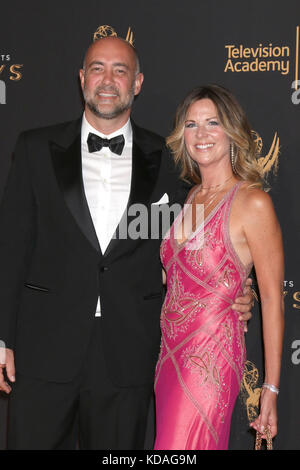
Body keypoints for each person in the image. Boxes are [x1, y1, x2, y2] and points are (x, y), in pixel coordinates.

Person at [0, 39, 253, 450]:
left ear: (137, 83)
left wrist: (239, 291)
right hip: (43, 349)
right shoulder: (34, 149)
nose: (107, 80)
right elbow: (10, 249)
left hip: (130, 353)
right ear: (82, 78)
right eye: (97, 68)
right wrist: (1, 338)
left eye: (120, 70)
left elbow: (206, 244)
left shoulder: (173, 162)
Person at [154, 85, 284, 450]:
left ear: (232, 131)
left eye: (213, 122)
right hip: (168, 360)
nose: (202, 134)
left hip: (209, 364)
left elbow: (273, 299)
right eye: (192, 125)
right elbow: (178, 279)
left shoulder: (252, 202)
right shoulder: (191, 197)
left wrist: (270, 389)